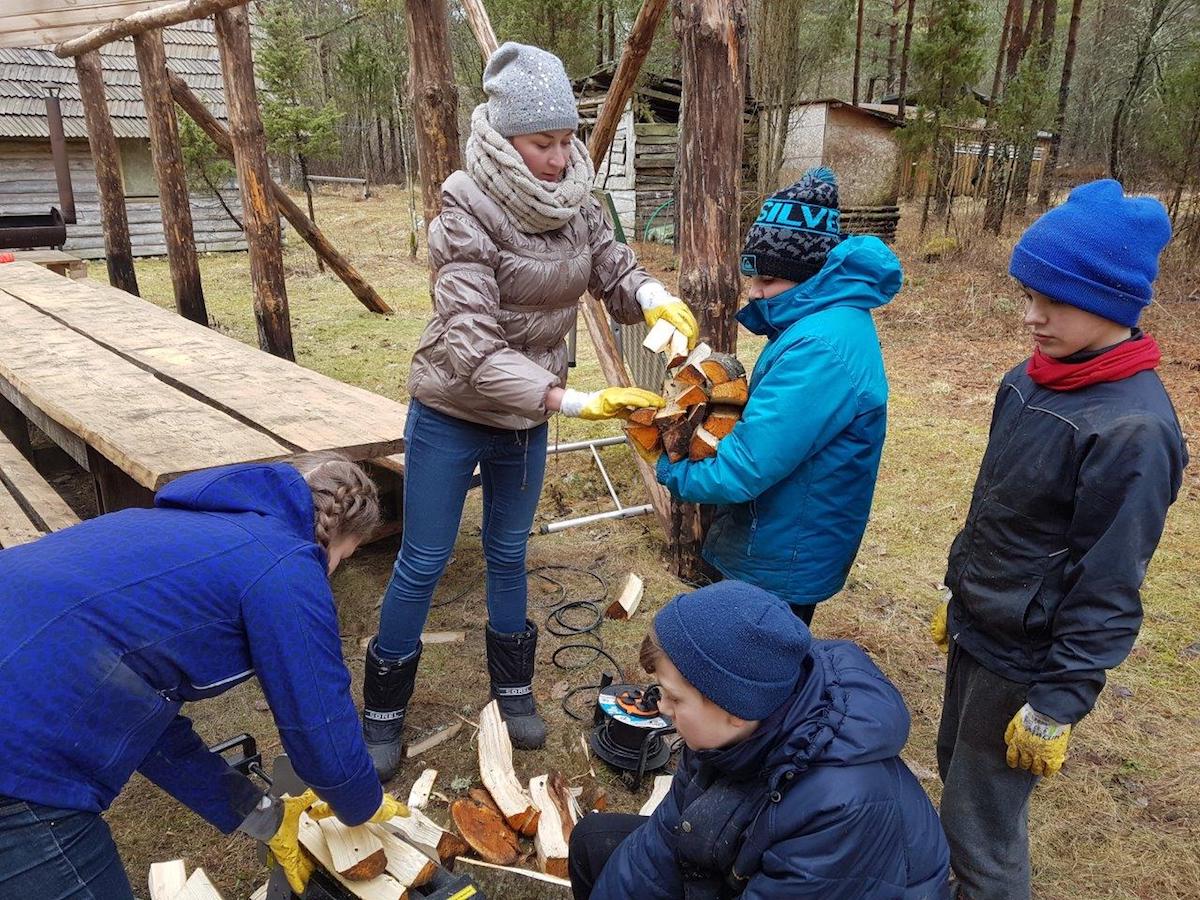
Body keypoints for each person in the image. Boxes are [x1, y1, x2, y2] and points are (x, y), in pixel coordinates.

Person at [361, 41, 697, 778]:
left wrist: (653, 299)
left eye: (566, 139)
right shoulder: (464, 205)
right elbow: (473, 347)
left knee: (511, 556)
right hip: (453, 410)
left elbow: (611, 265)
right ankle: (383, 710)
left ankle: (513, 691)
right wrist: (573, 399)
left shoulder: (576, 194)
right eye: (543, 142)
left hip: (526, 417)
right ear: (504, 137)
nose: (558, 156)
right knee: (424, 558)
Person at [930, 180, 1188, 900]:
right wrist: (960, 588)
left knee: (982, 828)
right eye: (1027, 295)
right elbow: (996, 509)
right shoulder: (1029, 379)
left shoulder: (1134, 432)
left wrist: (1057, 702)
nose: (1032, 317)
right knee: (957, 773)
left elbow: (1109, 580)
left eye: (1054, 301)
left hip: (1029, 655)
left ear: (1112, 300)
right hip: (981, 626)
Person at [0, 454, 407, 899]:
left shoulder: (175, 530)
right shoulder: (284, 564)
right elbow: (320, 729)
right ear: (334, 538)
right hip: (18, 752)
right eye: (341, 559)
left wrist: (261, 814)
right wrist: (360, 802)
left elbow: (142, 719)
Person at [569, 581, 950, 899]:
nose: (663, 707)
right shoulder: (725, 726)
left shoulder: (839, 807)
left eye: (675, 697)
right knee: (593, 842)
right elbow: (661, 845)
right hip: (747, 864)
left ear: (734, 709)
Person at [656, 167, 901, 624]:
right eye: (752, 275)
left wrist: (670, 466)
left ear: (807, 275)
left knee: (753, 672)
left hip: (783, 549)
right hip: (784, 534)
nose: (753, 291)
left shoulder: (820, 348)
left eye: (767, 280)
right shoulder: (820, 322)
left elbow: (747, 467)